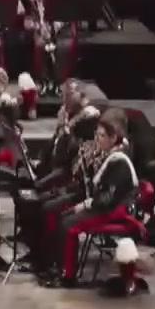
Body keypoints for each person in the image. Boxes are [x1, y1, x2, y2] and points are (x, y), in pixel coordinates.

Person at [41, 108, 141, 288]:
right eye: (97, 135)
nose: (97, 139)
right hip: (105, 206)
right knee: (63, 217)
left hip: (116, 211)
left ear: (113, 138)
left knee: (68, 224)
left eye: (102, 136)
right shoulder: (109, 156)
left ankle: (68, 275)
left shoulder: (119, 161)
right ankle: (59, 267)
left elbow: (108, 198)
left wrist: (85, 205)